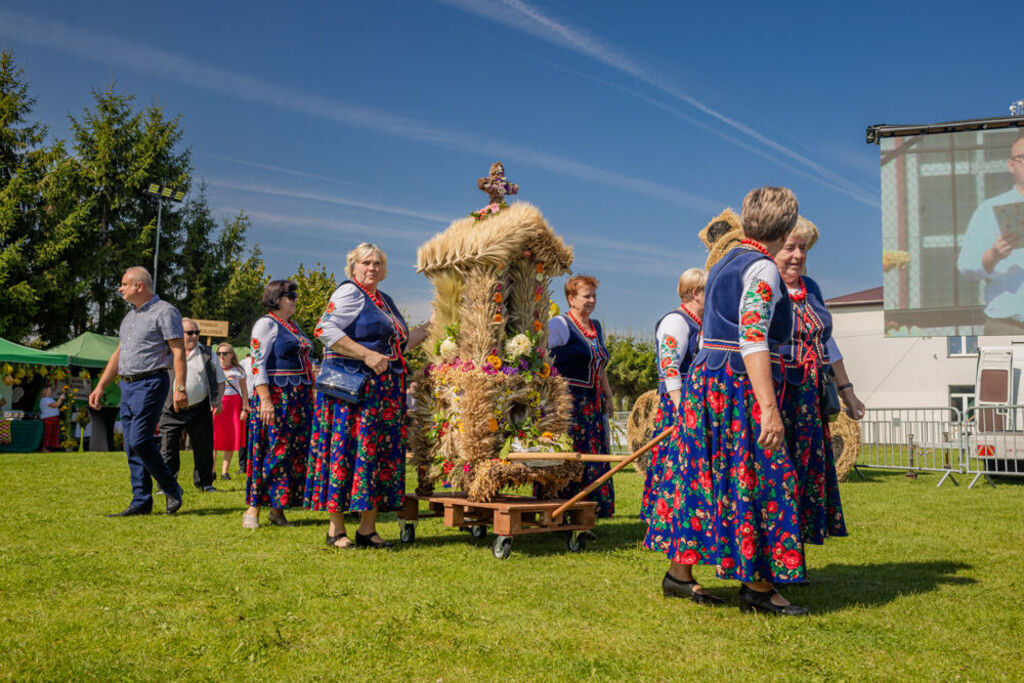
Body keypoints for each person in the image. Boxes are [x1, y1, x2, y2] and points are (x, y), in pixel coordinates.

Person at [644, 186, 809, 615]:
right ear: (787, 226)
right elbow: (752, 336)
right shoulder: (762, 268)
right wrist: (769, 408)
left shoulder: (723, 263)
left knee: (703, 477)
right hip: (737, 386)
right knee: (758, 476)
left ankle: (679, 575)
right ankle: (757, 586)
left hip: (706, 382)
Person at [304, 243, 431, 549]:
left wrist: (431, 326)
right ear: (354, 267)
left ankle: (367, 529)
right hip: (352, 391)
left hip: (383, 392)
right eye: (366, 262)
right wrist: (366, 355)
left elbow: (399, 346)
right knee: (345, 451)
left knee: (375, 455)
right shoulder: (349, 292)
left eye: (377, 263)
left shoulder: (384, 300)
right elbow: (324, 329)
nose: (372, 268)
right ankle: (336, 529)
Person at [775, 218, 865, 555]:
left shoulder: (811, 288)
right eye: (789, 248)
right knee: (779, 475)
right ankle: (777, 557)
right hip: (779, 395)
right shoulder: (765, 285)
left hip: (810, 399)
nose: (797, 255)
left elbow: (827, 343)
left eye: (803, 249)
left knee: (806, 476)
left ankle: (794, 552)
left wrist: (848, 391)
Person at [88, 266, 186, 517]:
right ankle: (141, 500)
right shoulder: (129, 318)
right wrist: (101, 385)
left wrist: (180, 387)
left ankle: (171, 487)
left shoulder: (165, 311)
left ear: (139, 286)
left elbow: (178, 352)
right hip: (128, 385)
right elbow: (119, 355)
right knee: (131, 444)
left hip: (151, 382)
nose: (120, 288)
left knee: (141, 439)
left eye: (124, 284)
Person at [541, 274, 615, 520]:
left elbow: (600, 365)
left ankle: (588, 511)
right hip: (568, 403)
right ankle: (560, 510)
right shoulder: (559, 325)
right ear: (571, 299)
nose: (592, 300)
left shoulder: (596, 327)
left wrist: (608, 393)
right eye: (587, 296)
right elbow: (541, 357)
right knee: (570, 455)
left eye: (594, 296)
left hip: (591, 403)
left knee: (592, 455)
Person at [244, 280, 314, 529]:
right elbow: (256, 362)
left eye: (295, 294)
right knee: (272, 450)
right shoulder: (266, 324)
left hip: (299, 398)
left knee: (291, 453)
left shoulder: (293, 326)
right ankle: (253, 509)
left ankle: (277, 509)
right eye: (289, 295)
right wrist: (264, 398)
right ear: (275, 298)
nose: (294, 298)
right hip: (276, 396)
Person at [640, 268, 705, 524]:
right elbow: (669, 366)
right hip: (679, 401)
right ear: (695, 293)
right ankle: (663, 517)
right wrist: (680, 406)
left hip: (695, 401)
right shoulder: (676, 321)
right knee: (673, 459)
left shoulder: (701, 323)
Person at [957, 135, 1024, 334]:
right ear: (1011, 165)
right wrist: (994, 254)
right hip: (1009, 325)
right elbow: (966, 265)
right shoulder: (990, 208)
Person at [158, 318, 225, 493]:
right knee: (167, 447)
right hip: (171, 409)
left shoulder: (208, 353)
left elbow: (220, 380)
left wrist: (217, 401)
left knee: (203, 447)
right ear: (180, 334)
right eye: (190, 333)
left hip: (199, 408)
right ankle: (166, 485)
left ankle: (205, 483)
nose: (194, 336)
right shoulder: (167, 352)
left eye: (197, 333)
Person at [213, 343, 248, 480]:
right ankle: (211, 470)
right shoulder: (213, 369)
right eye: (219, 353)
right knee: (213, 439)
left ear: (231, 355)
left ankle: (224, 472)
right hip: (217, 405)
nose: (221, 356)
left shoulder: (239, 370)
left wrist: (244, 409)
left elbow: (244, 392)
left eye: (225, 353)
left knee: (231, 438)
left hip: (234, 406)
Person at [237, 353, 256, 475]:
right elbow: (239, 383)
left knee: (257, 433)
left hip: (261, 401)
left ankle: (256, 463)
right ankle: (243, 465)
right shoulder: (244, 363)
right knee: (244, 433)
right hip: (247, 400)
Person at [39, 384, 65, 452]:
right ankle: (44, 449)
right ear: (45, 391)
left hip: (54, 418)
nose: (51, 391)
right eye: (50, 389)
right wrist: (60, 399)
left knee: (53, 434)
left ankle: (51, 448)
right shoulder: (44, 399)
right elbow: (55, 405)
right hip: (48, 419)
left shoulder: (50, 399)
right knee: (47, 434)